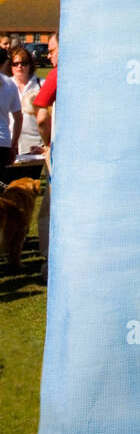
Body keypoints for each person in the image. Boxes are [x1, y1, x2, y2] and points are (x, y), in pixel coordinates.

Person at [32, 32, 58, 276]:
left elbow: (40, 113)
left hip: (61, 153)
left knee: (50, 208)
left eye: (52, 50)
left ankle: (49, 263)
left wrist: (48, 142)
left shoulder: (58, 74)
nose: (48, 55)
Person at [10, 46, 44, 156]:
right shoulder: (6, 86)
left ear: (30, 65)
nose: (19, 66)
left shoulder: (41, 85)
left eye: (24, 63)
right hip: (8, 145)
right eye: (15, 64)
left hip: (35, 144)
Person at [0, 45, 22, 172]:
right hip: (3, 143)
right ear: (4, 63)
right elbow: (18, 118)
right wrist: (13, 146)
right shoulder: (10, 84)